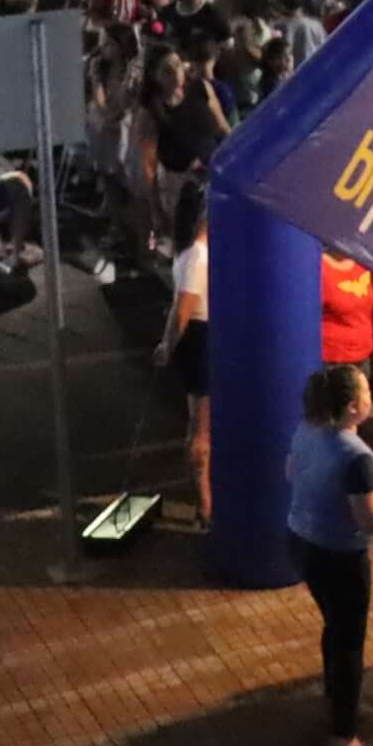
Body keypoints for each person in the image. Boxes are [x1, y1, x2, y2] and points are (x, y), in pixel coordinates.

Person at [286, 360, 373, 746]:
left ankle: (338, 701)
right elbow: (370, 520)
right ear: (353, 407)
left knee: (334, 627)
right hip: (340, 557)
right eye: (366, 392)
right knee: (349, 639)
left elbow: (290, 472)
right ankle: (343, 735)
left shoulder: (306, 431)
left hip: (301, 541)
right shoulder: (355, 458)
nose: (372, 397)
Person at [157, 183, 213, 521]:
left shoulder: (195, 253)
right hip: (200, 339)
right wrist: (167, 345)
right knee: (201, 427)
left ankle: (207, 499)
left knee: (203, 423)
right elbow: (182, 311)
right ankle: (206, 504)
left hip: (203, 337)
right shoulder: (197, 256)